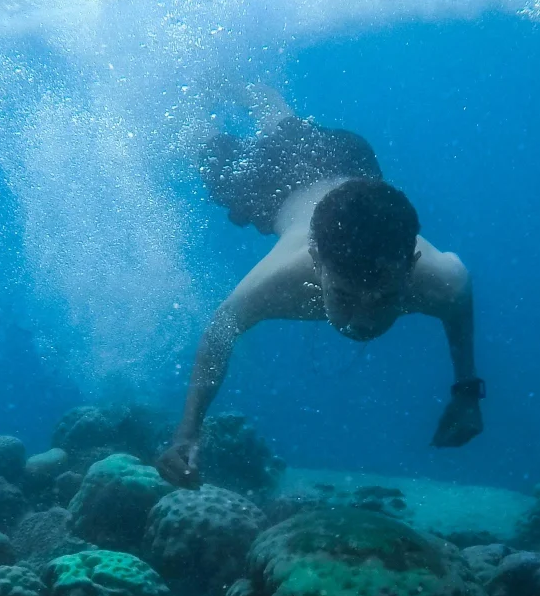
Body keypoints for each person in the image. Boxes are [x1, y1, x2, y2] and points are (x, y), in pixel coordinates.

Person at [156, 93, 483, 488]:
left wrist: (467, 393)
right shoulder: (285, 276)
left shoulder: (444, 282)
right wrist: (186, 432)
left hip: (350, 159)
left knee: (293, 132)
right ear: (316, 260)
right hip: (274, 184)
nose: (363, 322)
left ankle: (249, 94)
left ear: (409, 266)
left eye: (384, 298)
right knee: (215, 162)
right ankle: (187, 114)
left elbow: (460, 306)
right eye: (343, 296)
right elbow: (220, 330)